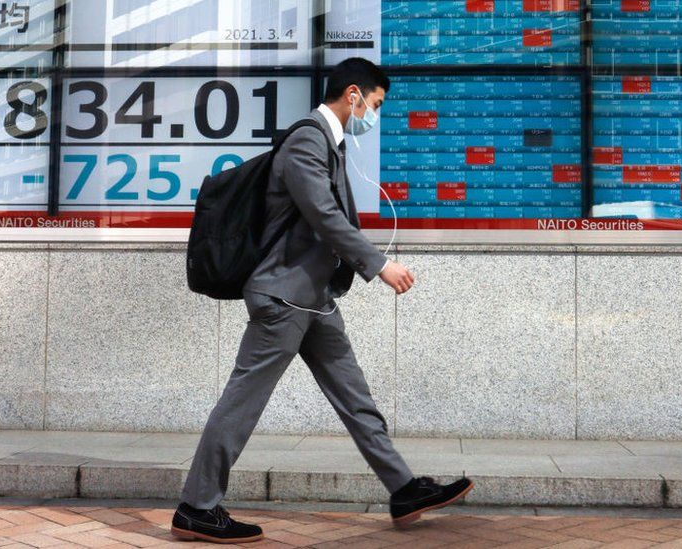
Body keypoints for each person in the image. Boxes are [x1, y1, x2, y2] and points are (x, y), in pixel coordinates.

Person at [171, 57, 473, 544]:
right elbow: (325, 217)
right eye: (375, 105)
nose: (374, 116)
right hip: (283, 298)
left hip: (313, 299)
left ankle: (403, 488)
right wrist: (379, 265)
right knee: (242, 403)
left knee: (356, 398)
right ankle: (196, 507)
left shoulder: (328, 144)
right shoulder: (308, 140)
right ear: (352, 95)